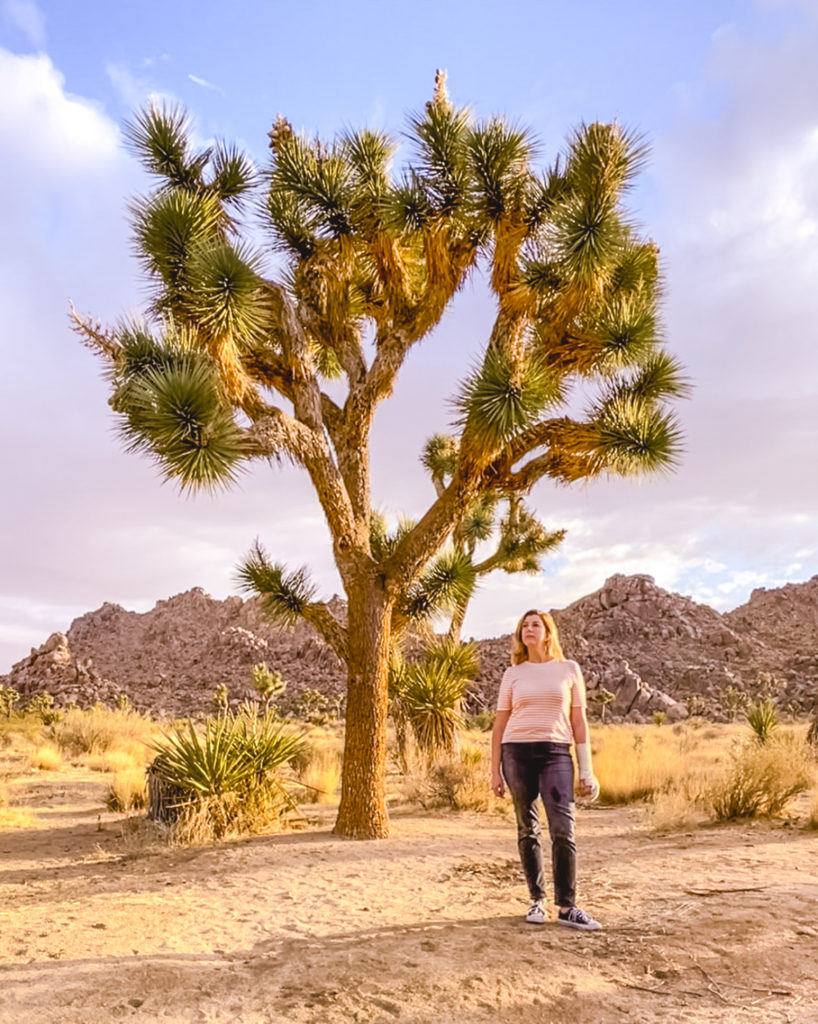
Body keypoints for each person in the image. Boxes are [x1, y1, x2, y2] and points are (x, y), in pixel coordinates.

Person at [490, 608, 601, 930]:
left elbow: (578, 721)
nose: (529, 629)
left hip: (556, 753)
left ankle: (567, 907)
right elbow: (499, 726)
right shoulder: (513, 674)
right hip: (516, 753)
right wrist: (494, 771)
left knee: (563, 829)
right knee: (527, 828)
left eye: (535, 624)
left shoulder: (568, 670)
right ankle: (536, 900)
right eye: (524, 625)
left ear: (548, 632)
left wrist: (587, 770)